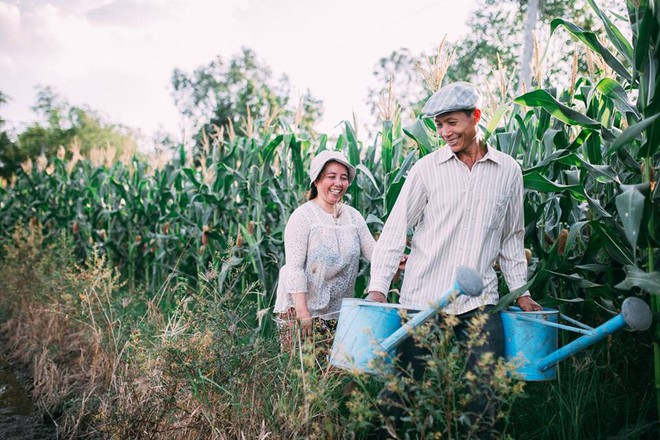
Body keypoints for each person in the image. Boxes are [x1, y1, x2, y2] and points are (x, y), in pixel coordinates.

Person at [365, 81, 542, 438]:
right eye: (439, 125)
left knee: (485, 397)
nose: (444, 132)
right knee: (399, 395)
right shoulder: (426, 170)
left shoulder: (508, 171)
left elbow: (511, 238)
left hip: (479, 303)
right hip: (423, 300)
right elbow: (395, 230)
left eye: (451, 123)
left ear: (475, 117)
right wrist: (379, 289)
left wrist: (521, 292)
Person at [274, 150, 376, 354]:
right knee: (303, 376)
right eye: (332, 176)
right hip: (303, 309)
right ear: (317, 179)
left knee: (335, 376)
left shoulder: (354, 218)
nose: (338, 183)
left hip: (339, 311)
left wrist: (397, 258)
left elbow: (374, 252)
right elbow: (294, 268)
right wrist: (303, 312)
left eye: (344, 178)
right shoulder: (303, 217)